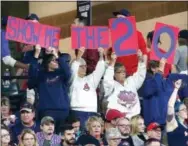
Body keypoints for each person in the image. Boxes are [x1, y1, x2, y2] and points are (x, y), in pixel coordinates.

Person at [28, 44, 71, 130]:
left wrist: (56, 55)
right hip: (47, 110)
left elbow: (68, 72)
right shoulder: (41, 75)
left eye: (56, 60)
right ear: (47, 63)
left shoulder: (61, 74)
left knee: (62, 137)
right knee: (48, 136)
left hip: (63, 110)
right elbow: (32, 75)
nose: (56, 62)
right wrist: (36, 54)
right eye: (53, 60)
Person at [139, 58, 188, 126]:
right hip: (153, 124)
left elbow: (184, 78)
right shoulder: (147, 81)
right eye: (161, 67)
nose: (163, 70)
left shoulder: (167, 82)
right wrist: (161, 68)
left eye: (165, 67)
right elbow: (155, 85)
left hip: (168, 123)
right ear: (153, 68)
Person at [103, 50, 147, 119]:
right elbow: (107, 80)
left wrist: (140, 60)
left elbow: (140, 75)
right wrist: (112, 63)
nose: (123, 73)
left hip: (134, 119)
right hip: (119, 120)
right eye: (120, 72)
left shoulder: (131, 81)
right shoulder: (112, 86)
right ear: (114, 74)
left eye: (124, 71)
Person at [70, 47, 105, 128]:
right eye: (81, 66)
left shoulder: (91, 79)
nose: (84, 68)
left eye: (85, 66)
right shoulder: (72, 80)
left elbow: (100, 70)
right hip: (77, 111)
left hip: (92, 111)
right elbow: (73, 70)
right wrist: (78, 57)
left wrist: (101, 56)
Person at [112, 9, 147, 76]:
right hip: (119, 74)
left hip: (134, 74)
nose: (118, 21)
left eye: (121, 18)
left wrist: (143, 72)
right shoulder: (114, 36)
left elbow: (144, 54)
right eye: (117, 18)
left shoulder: (137, 34)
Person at [166, 80, 188, 146]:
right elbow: (170, 106)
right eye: (183, 109)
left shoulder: (186, 125)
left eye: (186, 109)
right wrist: (176, 89)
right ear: (177, 113)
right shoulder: (172, 124)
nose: (186, 111)